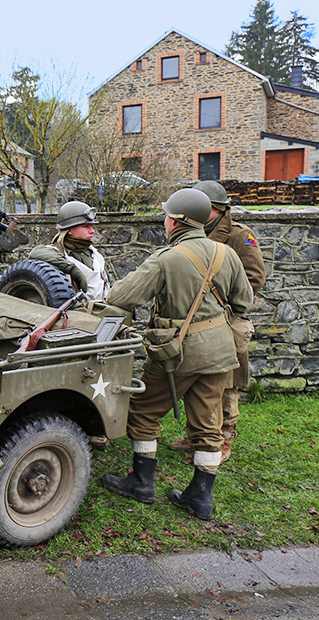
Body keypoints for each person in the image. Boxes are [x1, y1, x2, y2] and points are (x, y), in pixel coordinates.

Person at [100, 188, 253, 520]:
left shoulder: (166, 258)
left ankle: (141, 482)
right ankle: (200, 498)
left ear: (177, 222)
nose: (165, 220)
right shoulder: (227, 254)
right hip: (220, 352)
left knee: (141, 411)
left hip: (177, 354)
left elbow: (121, 296)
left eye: (167, 216)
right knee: (208, 423)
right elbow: (243, 302)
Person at [168, 180, 267, 463]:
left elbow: (254, 278)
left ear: (217, 209)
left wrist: (217, 300)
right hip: (195, 322)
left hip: (227, 320)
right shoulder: (191, 234)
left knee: (225, 383)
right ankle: (197, 434)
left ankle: (224, 438)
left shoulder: (239, 236)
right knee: (194, 381)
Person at [28, 200, 110, 301]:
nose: (92, 231)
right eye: (85, 226)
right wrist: (71, 269)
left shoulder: (95, 255)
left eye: (91, 226)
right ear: (70, 230)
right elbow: (35, 253)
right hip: (75, 313)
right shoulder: (58, 253)